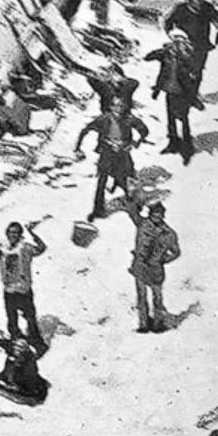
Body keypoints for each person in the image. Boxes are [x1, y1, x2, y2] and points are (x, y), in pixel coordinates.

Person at [74, 97, 149, 222]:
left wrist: (136, 142)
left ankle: (134, 204)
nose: (118, 108)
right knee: (102, 180)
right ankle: (97, 209)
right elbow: (86, 130)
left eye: (121, 105)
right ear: (111, 107)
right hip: (107, 152)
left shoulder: (128, 119)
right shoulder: (103, 119)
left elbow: (144, 130)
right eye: (115, 105)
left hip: (123, 152)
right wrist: (78, 147)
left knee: (127, 178)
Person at [0, 220, 47, 354]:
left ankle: (37, 343)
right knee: (12, 319)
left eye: (15, 233)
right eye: (10, 232)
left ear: (20, 234)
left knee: (30, 318)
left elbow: (41, 248)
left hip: (23, 289)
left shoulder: (25, 248)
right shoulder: (2, 247)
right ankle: (16, 343)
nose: (12, 235)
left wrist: (33, 233)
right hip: (9, 290)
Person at [163, 0, 218, 105]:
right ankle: (180, 96)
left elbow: (217, 19)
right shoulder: (180, 9)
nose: (199, 0)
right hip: (185, 46)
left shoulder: (207, 8)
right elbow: (168, 23)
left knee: (197, 72)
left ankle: (192, 97)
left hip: (201, 46)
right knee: (182, 71)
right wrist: (174, 36)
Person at [144, 33, 201, 156]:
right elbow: (150, 57)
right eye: (175, 42)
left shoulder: (188, 56)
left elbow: (193, 72)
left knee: (183, 118)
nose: (177, 45)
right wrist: (157, 90)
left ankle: (187, 144)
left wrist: (193, 96)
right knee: (171, 119)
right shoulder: (166, 54)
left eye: (180, 42)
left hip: (183, 92)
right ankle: (173, 143)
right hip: (170, 90)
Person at [127, 202, 180, 333]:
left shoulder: (169, 233)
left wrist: (163, 260)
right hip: (140, 266)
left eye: (159, 215)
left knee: (157, 297)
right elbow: (131, 210)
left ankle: (158, 324)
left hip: (155, 269)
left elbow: (176, 252)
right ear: (150, 214)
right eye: (154, 214)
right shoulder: (142, 223)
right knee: (141, 297)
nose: (156, 217)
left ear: (163, 216)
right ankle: (143, 324)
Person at [0, 331, 50, 406]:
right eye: (15, 349)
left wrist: (10, 387)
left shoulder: (28, 366)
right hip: (12, 378)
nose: (16, 353)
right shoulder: (14, 355)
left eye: (19, 351)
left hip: (26, 389)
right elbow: (6, 345)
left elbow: (28, 385)